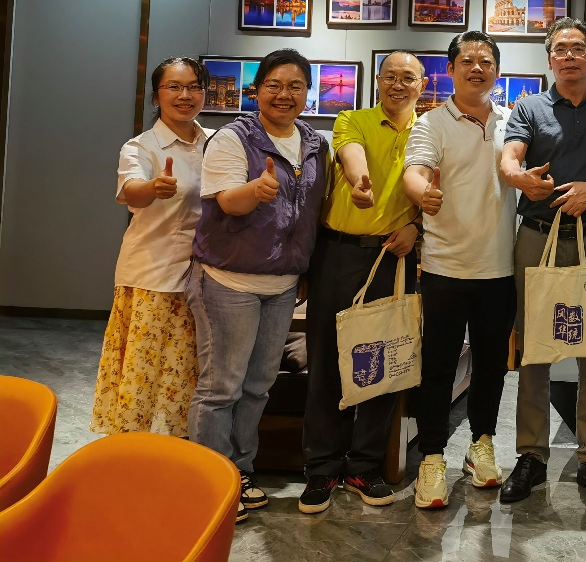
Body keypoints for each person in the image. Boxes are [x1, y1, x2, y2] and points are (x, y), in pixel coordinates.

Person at [188, 49, 329, 523]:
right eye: (274, 85)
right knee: (221, 386)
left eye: (295, 86)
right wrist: (254, 191)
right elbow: (227, 201)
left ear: (307, 93)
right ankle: (209, 481)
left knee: (258, 385)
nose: (284, 94)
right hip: (228, 280)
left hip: (283, 284)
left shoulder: (315, 144)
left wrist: (305, 269)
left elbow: (312, 213)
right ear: (257, 89)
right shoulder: (233, 138)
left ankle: (241, 472)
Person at [499, 18, 586, 505]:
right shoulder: (529, 107)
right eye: (560, 49)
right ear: (549, 59)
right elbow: (510, 158)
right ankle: (531, 454)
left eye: (578, 49)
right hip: (537, 237)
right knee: (534, 346)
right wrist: (520, 179)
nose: (569, 56)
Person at [298, 52, 425, 514]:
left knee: (382, 363)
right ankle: (322, 467)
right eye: (390, 76)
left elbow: (434, 192)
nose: (397, 84)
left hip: (394, 259)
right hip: (337, 254)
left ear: (422, 84)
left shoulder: (428, 132)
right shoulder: (352, 118)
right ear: (378, 81)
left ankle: (364, 466)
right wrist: (360, 181)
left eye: (407, 77)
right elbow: (350, 153)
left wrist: (418, 228)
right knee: (326, 363)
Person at [403, 31, 518, 510]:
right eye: (467, 61)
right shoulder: (432, 123)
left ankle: (481, 444)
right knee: (439, 366)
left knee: (492, 366)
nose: (477, 68)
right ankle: (432, 457)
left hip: (500, 268)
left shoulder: (513, 122)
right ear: (450, 70)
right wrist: (421, 193)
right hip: (445, 266)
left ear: (497, 71)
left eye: (486, 61)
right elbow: (415, 170)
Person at [92, 57, 212, 439]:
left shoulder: (215, 143)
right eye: (174, 87)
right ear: (156, 96)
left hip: (203, 277)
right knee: (143, 375)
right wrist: (153, 188)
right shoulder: (141, 146)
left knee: (186, 373)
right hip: (152, 275)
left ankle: (176, 453)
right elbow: (131, 191)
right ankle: (131, 455)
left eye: (194, 86)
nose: (185, 95)